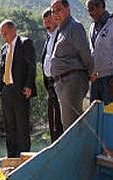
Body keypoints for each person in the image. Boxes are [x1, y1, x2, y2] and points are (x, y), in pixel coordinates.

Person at [50, 0, 93, 130]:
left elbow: (84, 51)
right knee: (68, 124)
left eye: (58, 9)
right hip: (63, 83)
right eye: (53, 11)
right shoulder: (61, 30)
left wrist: (91, 71)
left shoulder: (74, 27)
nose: (55, 14)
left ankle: (79, 151)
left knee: (72, 126)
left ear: (68, 9)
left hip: (72, 81)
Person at [0, 19, 36, 158]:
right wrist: (1, 88)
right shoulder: (4, 48)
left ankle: (24, 159)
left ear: (13, 30)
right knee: (9, 127)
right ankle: (11, 157)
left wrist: (29, 86)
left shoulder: (25, 43)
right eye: (2, 34)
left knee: (22, 127)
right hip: (6, 91)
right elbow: (1, 70)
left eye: (6, 33)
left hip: (20, 90)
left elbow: (31, 66)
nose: (4, 36)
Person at [42, 8, 64, 143]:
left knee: (60, 119)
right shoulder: (48, 38)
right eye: (44, 22)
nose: (47, 25)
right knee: (52, 120)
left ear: (56, 20)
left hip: (61, 82)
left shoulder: (62, 35)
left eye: (49, 21)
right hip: (50, 85)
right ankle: (54, 146)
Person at [86, 0, 113, 105]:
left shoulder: (111, 24)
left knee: (110, 112)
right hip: (95, 78)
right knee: (96, 112)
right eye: (88, 10)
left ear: (101, 6)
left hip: (109, 79)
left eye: (92, 9)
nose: (90, 13)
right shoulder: (92, 26)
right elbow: (92, 51)